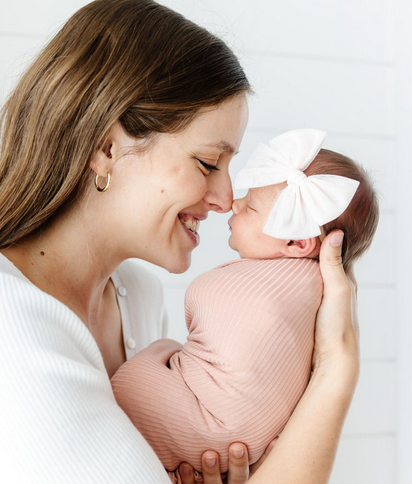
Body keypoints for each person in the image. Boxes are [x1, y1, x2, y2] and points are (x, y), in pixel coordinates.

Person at [0, 1, 361, 483]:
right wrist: (336, 370)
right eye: (208, 163)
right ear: (106, 148)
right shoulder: (12, 320)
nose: (226, 199)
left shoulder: (138, 298)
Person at [111, 129, 378, 482]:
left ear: (297, 243)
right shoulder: (321, 291)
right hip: (249, 446)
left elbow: (204, 297)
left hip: (207, 427)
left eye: (251, 206)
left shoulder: (259, 286)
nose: (233, 204)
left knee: (137, 377)